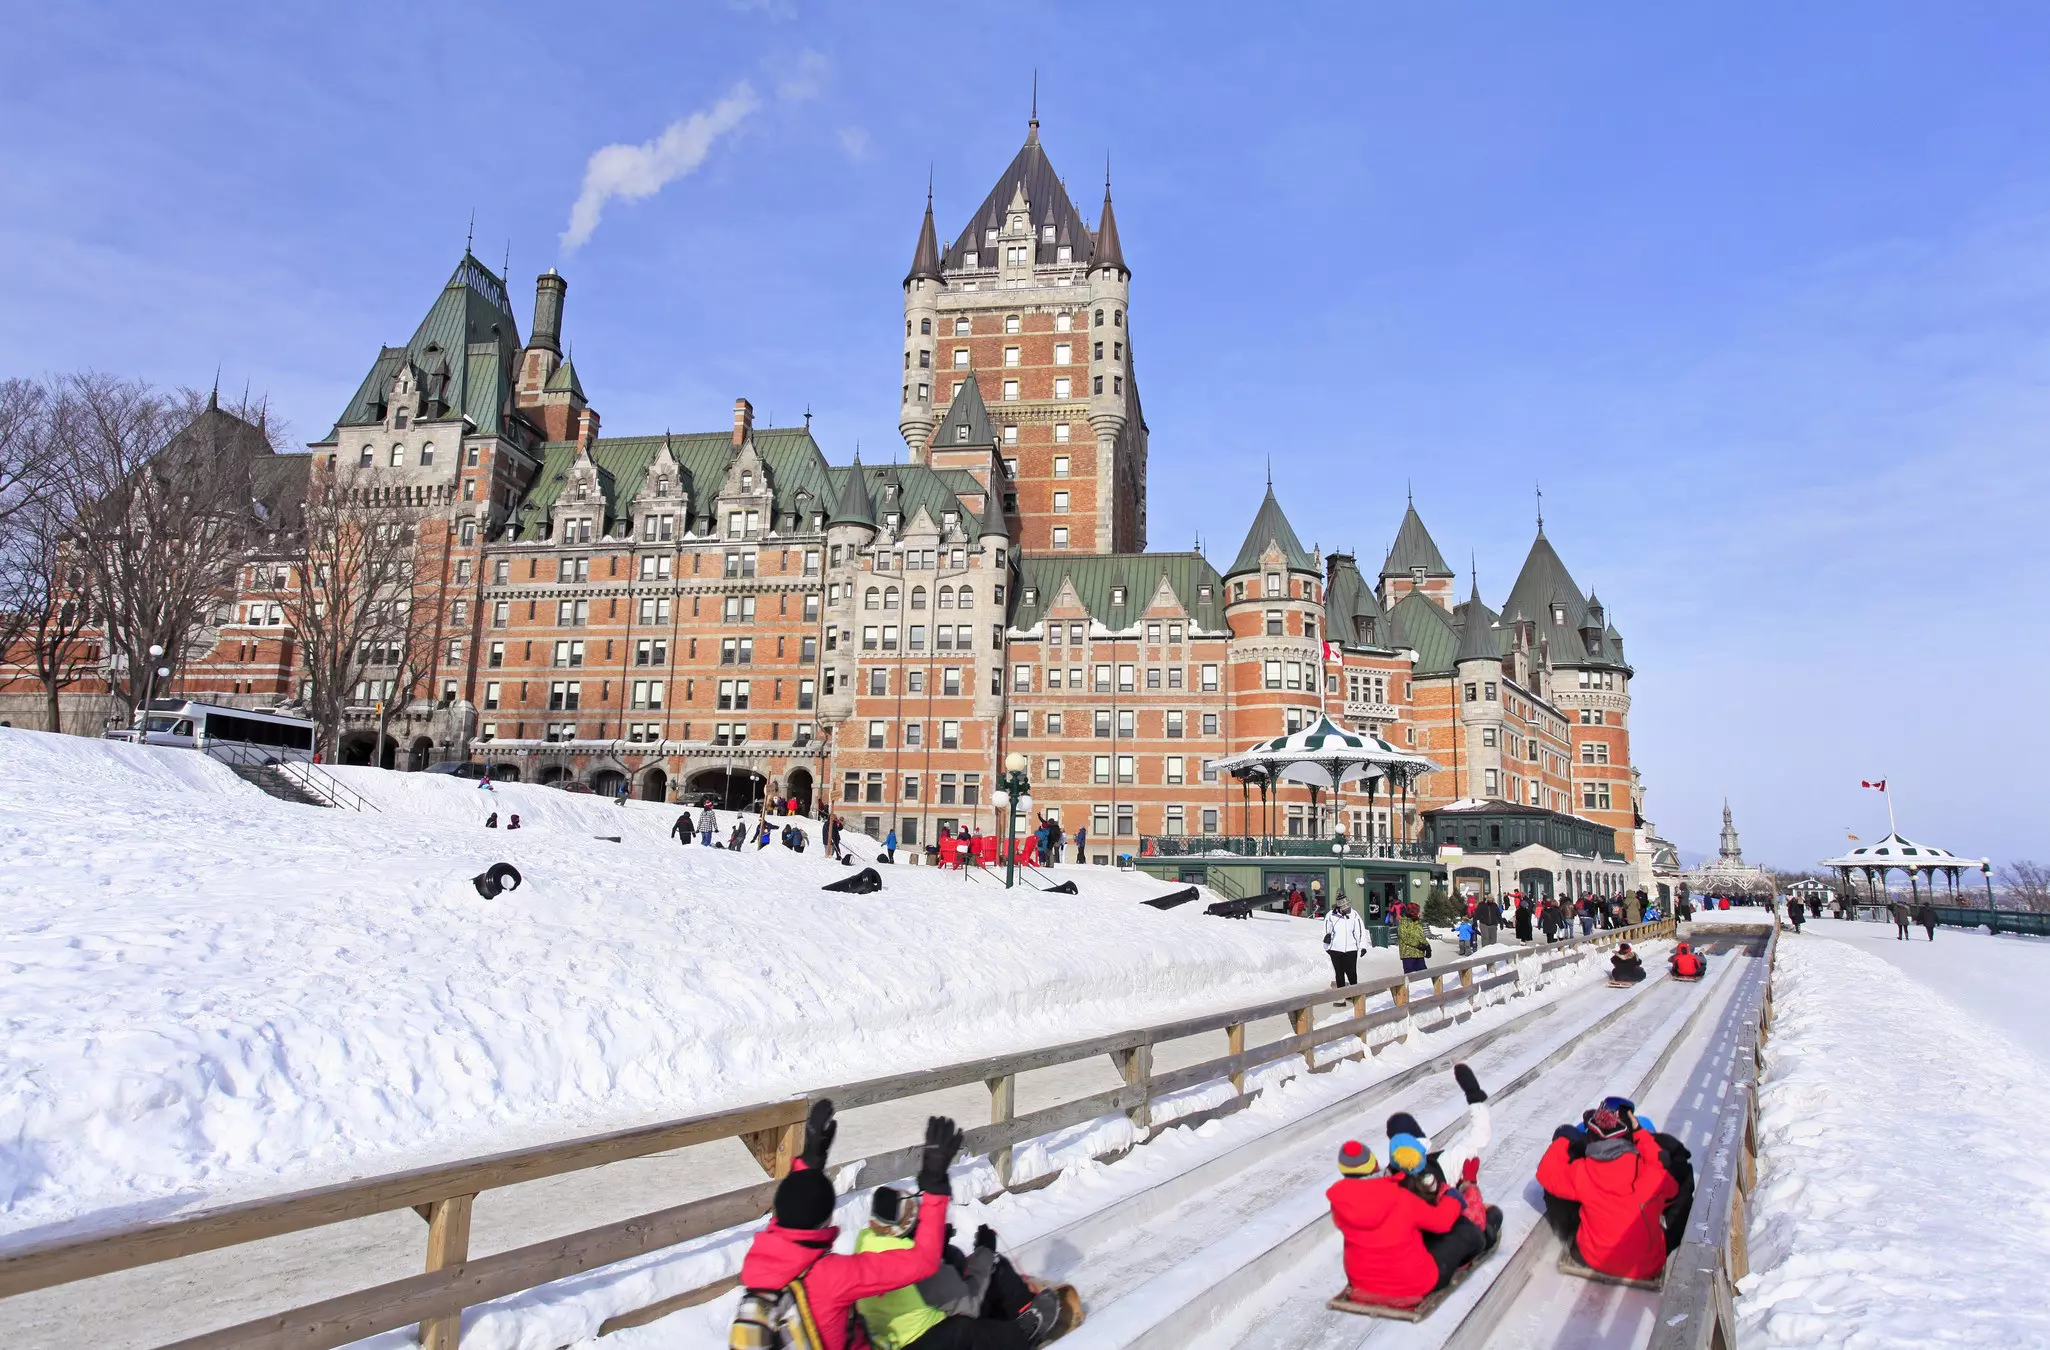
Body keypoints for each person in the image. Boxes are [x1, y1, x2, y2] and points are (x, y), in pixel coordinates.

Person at [732, 1103, 963, 1350]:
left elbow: (794, 1211)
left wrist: (810, 1159)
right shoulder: (833, 1277)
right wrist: (935, 1184)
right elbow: (924, 1261)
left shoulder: (761, 1263)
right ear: (826, 1222)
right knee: (965, 1333)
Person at [1328, 1064, 1501, 1310]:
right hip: (1418, 1260)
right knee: (1473, 1228)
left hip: (1371, 1273)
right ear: (1422, 1144)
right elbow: (1479, 1138)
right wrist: (1474, 1096)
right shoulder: (1441, 1165)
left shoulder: (1380, 1182)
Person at [852, 1191, 1071, 1348]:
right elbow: (970, 1305)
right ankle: (1026, 1329)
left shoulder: (866, 1242)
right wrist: (984, 1251)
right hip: (928, 1337)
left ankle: (1007, 1322)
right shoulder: (917, 1263)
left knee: (956, 1259)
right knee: (994, 1268)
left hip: (890, 1336)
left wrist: (938, 1244)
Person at [1537, 1098, 1690, 1281]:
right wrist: (1640, 1134)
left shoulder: (1582, 1171)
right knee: (1680, 1186)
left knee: (1557, 1188)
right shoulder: (1650, 1172)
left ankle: (1567, 1232)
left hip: (1592, 1258)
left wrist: (1563, 1139)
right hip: (1645, 1266)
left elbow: (1546, 1173)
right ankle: (1663, 1239)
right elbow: (1668, 1181)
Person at [1325, 898, 1365, 989]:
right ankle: (1341, 998)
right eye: (1345, 908)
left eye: (1348, 907)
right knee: (1339, 974)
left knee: (1352, 973)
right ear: (1339, 907)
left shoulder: (1354, 914)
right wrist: (1327, 946)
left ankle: (1355, 996)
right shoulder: (1331, 915)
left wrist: (1362, 946)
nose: (1348, 910)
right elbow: (1326, 929)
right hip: (1335, 948)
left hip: (1351, 949)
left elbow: (1360, 931)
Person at [1397, 901, 1431, 974]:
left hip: (1419, 954)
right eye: (1416, 911)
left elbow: (1421, 936)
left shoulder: (1417, 922)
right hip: (1408, 954)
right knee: (1411, 977)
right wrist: (1419, 945)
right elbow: (1405, 937)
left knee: (1423, 975)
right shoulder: (1403, 922)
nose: (1418, 913)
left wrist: (1427, 946)